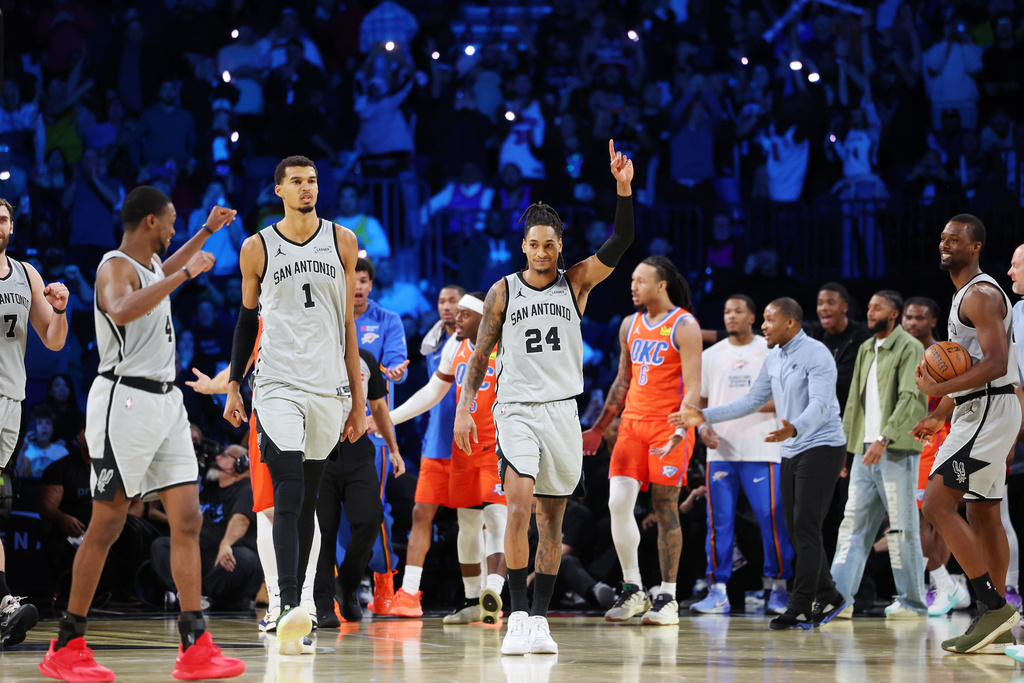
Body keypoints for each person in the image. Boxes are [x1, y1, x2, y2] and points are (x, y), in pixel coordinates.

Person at [39, 186, 244, 681]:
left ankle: (194, 643)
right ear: (150, 220)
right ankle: (67, 644)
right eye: (172, 220)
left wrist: (205, 233)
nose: (175, 227)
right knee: (108, 523)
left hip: (167, 402)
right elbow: (122, 308)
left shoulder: (151, 265)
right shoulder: (113, 265)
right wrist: (184, 275)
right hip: (122, 402)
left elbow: (168, 264)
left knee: (188, 518)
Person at [455, 140, 634, 655]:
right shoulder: (503, 291)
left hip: (562, 412)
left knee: (550, 521)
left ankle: (538, 618)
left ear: (560, 245)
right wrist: (466, 408)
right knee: (517, 508)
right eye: (534, 244)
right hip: (515, 410)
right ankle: (514, 616)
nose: (541, 251)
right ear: (523, 246)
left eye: (549, 244)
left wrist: (622, 188)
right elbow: (480, 356)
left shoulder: (576, 283)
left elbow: (621, 240)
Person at [223, 156, 366, 655]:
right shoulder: (256, 246)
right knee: (286, 489)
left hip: (328, 387)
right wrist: (235, 384)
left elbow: (349, 327)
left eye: (313, 181)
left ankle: (299, 601)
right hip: (277, 383)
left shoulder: (343, 241)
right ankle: (285, 606)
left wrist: (359, 400)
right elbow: (245, 321)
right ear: (279, 189)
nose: (308, 189)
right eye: (298, 182)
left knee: (305, 498)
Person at [674, 298, 848, 630]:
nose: (764, 326)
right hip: (791, 447)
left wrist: (795, 426)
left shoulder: (817, 354)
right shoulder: (775, 357)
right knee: (797, 529)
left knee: (806, 527)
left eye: (769, 320)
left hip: (822, 446)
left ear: (791, 323)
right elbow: (752, 400)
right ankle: (829, 595)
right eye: (764, 320)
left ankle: (798, 605)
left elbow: (822, 404)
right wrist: (704, 416)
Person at [912, 214, 1021, 654]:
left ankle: (992, 606)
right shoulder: (963, 295)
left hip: (989, 409)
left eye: (955, 240)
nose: (945, 244)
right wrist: (941, 413)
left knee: (937, 503)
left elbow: (995, 364)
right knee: (984, 513)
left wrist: (939, 388)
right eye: (942, 238)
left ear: (975, 247)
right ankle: (998, 627)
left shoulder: (979, 295)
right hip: (981, 408)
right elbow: (977, 366)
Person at [580, 256, 702, 626]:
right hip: (632, 424)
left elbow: (695, 385)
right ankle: (633, 588)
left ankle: (668, 596)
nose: (632, 286)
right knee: (618, 502)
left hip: (669, 427)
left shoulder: (684, 324)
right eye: (631, 280)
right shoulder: (629, 324)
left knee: (665, 508)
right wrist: (600, 427)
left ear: (661, 285)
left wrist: (682, 429)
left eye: (640, 280)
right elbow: (621, 382)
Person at [385, 292, 508, 624]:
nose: (458, 319)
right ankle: (472, 601)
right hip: (462, 448)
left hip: (498, 447)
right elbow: (432, 392)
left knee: (497, 522)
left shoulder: (509, 345)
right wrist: (387, 419)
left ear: (486, 319)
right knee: (467, 526)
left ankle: (493, 591)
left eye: (466, 314)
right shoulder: (455, 346)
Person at [688, 295, 793, 616]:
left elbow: (786, 397)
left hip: (763, 446)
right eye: (726, 311)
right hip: (722, 452)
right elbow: (699, 406)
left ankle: (778, 588)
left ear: (752, 317)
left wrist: (743, 407)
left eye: (737, 311)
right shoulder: (711, 355)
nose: (730, 316)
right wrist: (701, 430)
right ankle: (717, 589)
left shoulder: (771, 351)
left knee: (771, 520)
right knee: (718, 523)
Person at [830, 290, 928, 620]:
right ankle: (840, 599)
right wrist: (846, 450)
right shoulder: (864, 349)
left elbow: (911, 400)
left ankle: (912, 603)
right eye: (869, 307)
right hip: (862, 452)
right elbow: (854, 406)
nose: (870, 313)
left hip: (894, 450)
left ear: (895, 314)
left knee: (901, 528)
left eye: (877, 308)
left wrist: (883, 439)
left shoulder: (910, 347)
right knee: (852, 526)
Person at [0, 196, 68, 648]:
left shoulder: (26, 274)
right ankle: (5, 603)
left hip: (12, 401)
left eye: (2, 217)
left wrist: (60, 308)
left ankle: (3, 606)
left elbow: (54, 341)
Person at [389, 285, 463, 617]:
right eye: (441, 301)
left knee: (481, 522)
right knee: (420, 514)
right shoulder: (431, 343)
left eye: (453, 301)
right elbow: (427, 393)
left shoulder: (479, 340)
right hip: (436, 442)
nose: (446, 306)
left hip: (473, 444)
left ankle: (490, 595)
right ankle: (408, 593)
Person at [314, 347, 403, 624]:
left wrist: (394, 448)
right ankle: (322, 602)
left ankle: (349, 584)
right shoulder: (313, 351)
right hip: (320, 447)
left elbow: (378, 406)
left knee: (370, 518)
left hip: (358, 447)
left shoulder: (365, 357)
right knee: (324, 529)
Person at [345, 257, 408, 615]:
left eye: (364, 280)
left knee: (375, 512)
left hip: (375, 433)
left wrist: (392, 372)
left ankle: (385, 584)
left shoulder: (388, 321)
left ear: (371, 284)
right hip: (335, 433)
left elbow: (393, 371)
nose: (358, 287)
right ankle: (344, 589)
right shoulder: (330, 318)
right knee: (334, 514)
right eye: (352, 280)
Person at [901, 296, 969, 616]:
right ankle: (944, 585)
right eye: (908, 317)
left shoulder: (945, 354)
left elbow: (956, 395)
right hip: (908, 439)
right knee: (921, 519)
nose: (912, 323)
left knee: (930, 516)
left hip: (938, 439)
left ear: (933, 322)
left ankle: (943, 583)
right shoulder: (900, 350)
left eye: (919, 318)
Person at [151, 445, 262, 611]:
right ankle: (191, 596)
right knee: (161, 545)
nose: (217, 458)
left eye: (225, 456)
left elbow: (241, 520)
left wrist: (226, 544)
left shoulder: (246, 489)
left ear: (242, 464)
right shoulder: (209, 488)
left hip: (229, 557)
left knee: (244, 559)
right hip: (204, 555)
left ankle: (194, 597)